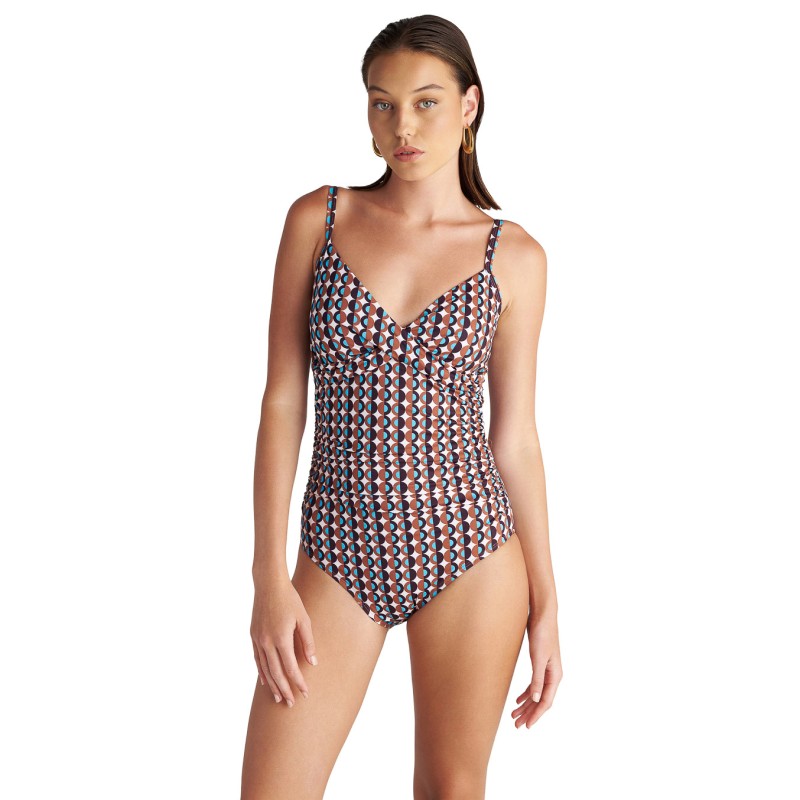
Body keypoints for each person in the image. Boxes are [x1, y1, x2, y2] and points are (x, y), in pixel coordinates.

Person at [241, 14, 561, 800]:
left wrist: (548, 602)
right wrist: (268, 576)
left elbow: (516, 438)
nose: (402, 127)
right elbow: (282, 401)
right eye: (382, 103)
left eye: (425, 102)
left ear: (470, 105)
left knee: (451, 789)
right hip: (338, 544)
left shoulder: (515, 256)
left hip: (473, 545)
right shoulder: (320, 219)